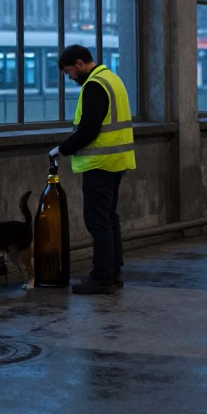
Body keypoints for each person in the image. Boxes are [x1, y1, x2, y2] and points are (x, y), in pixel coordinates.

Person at [50, 45, 135, 295]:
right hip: (116, 162)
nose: (70, 78)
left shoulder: (95, 85)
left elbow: (89, 130)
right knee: (109, 219)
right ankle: (113, 272)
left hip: (100, 164)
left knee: (97, 221)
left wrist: (62, 149)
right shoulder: (113, 78)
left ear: (79, 63)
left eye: (70, 73)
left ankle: (102, 277)